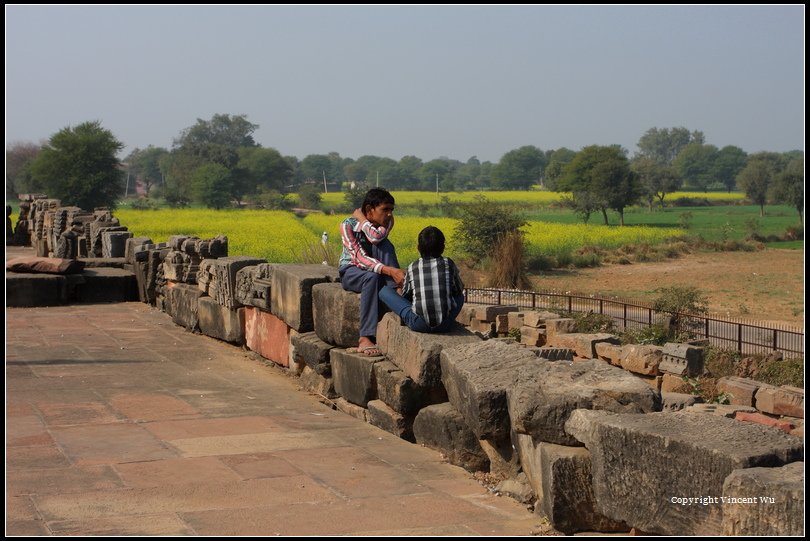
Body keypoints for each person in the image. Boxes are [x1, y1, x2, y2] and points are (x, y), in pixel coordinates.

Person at [338, 188, 405, 355]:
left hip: (376, 270)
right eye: (385, 209)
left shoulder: (386, 222)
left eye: (391, 210)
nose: (389, 214)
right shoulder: (348, 225)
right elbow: (358, 257)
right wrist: (390, 270)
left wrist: (362, 218)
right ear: (369, 209)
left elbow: (375, 238)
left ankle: (397, 288)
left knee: (385, 245)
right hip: (352, 271)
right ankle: (365, 337)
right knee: (372, 276)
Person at [379, 225, 464, 333]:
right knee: (460, 296)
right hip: (445, 325)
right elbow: (458, 290)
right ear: (443, 247)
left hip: (418, 324)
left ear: (418, 247)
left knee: (384, 291)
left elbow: (406, 295)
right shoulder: (449, 263)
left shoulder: (412, 267)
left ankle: (405, 318)